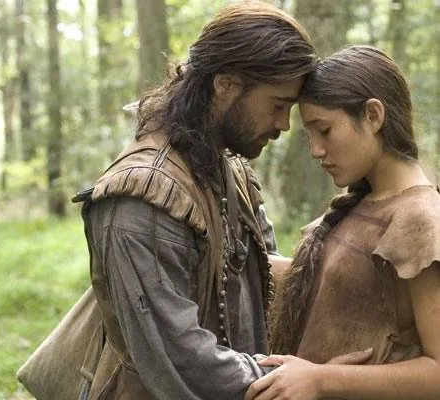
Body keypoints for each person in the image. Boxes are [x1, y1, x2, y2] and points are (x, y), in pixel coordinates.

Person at [71, 1, 319, 399]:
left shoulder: (232, 170)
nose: (283, 125)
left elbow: (263, 280)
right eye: (277, 105)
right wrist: (289, 379)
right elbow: (180, 358)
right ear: (225, 86)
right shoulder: (143, 199)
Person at [244, 45, 440, 400]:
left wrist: (322, 379)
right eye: (310, 135)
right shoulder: (362, 205)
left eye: (325, 130)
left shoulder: (420, 219)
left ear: (373, 116)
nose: (316, 150)